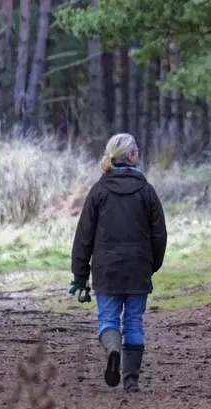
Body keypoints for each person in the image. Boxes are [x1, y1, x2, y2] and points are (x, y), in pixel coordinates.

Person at [69, 133, 167, 392]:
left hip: (106, 269)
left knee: (108, 320)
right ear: (132, 156)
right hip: (138, 268)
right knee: (134, 322)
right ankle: (131, 379)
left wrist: (80, 275)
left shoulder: (99, 191)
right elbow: (159, 234)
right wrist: (152, 265)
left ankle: (113, 349)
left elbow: (84, 236)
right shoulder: (146, 190)